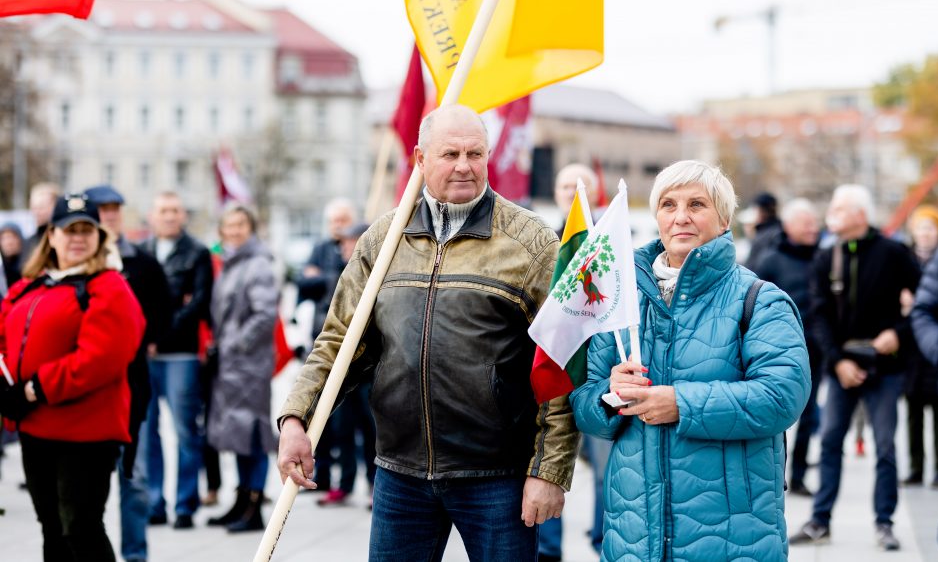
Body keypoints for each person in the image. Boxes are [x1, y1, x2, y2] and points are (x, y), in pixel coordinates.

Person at [278, 104, 578, 561]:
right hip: (400, 474)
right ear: (420, 159)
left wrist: (549, 471)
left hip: (497, 476)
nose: (464, 165)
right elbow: (340, 340)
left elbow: (563, 359)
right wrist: (297, 418)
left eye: (475, 154)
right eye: (450, 153)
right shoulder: (383, 240)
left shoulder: (532, 242)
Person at [571, 160, 810, 562]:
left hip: (733, 536)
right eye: (668, 204)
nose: (680, 216)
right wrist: (609, 395)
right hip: (634, 535)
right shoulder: (620, 300)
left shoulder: (760, 300)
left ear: (723, 218)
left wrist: (681, 404)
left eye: (696, 204)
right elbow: (585, 406)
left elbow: (781, 396)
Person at [0, 193, 145, 561]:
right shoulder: (30, 285)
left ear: (100, 237)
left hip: (85, 432)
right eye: (68, 230)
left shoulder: (109, 286)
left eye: (86, 230)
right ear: (51, 235)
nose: (77, 237)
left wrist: (33, 388)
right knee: (51, 528)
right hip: (36, 429)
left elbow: (99, 359)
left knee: (81, 528)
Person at [790, 184, 920, 551]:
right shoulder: (825, 257)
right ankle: (820, 520)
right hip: (841, 366)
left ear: (860, 215)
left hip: (885, 369)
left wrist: (898, 333)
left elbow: (925, 303)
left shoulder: (894, 253)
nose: (831, 213)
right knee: (830, 441)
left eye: (839, 208)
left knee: (885, 448)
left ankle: (884, 522)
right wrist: (839, 361)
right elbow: (818, 317)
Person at [86, 184, 172, 562]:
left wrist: (149, 338)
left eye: (114, 209)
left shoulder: (141, 261)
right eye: (101, 209)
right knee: (86, 486)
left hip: (132, 388)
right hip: (87, 393)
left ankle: (135, 555)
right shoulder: (77, 267)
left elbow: (163, 309)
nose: (109, 215)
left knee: (133, 480)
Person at [539, 162, 611, 561]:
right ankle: (549, 550)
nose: (572, 190)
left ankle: (603, 538)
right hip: (557, 365)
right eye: (566, 184)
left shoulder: (610, 237)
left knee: (604, 464)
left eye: (580, 185)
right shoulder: (544, 239)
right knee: (547, 461)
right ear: (556, 192)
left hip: (598, 369)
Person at [140, 191, 214, 529]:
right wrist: (146, 339)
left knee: (186, 431)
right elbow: (133, 302)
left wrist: (160, 336)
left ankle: (185, 504)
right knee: (146, 432)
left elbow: (197, 303)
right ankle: (155, 502)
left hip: (180, 354)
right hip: (146, 356)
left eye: (174, 210)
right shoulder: (141, 253)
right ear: (152, 217)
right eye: (163, 210)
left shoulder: (197, 253)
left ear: (183, 215)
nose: (169, 216)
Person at [204, 205, 278, 532]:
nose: (234, 230)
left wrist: (235, 344)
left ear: (251, 227)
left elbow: (264, 315)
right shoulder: (232, 263)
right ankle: (241, 500)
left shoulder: (257, 263)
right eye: (228, 225)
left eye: (240, 224)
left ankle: (254, 506)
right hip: (232, 365)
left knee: (253, 432)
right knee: (237, 432)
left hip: (249, 364)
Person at [753, 197, 822, 495]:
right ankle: (775, 474)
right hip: (776, 352)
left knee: (808, 416)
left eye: (814, 223)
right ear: (790, 225)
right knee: (777, 414)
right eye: (806, 223)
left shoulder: (824, 257)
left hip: (815, 349)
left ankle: (800, 475)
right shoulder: (771, 259)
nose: (813, 228)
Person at [295, 198, 358, 495]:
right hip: (322, 335)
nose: (339, 226)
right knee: (323, 416)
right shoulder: (320, 248)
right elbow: (302, 284)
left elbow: (343, 284)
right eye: (334, 220)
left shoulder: (360, 245)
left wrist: (320, 278)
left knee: (353, 421)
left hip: (355, 346)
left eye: (344, 219)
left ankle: (349, 480)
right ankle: (321, 475)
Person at [904, 205, 938, 487]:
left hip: (933, 345)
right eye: (921, 228)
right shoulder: (904, 260)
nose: (926, 233)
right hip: (912, 348)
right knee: (914, 412)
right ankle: (916, 467)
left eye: (931, 227)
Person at [744, 191, 782, 270]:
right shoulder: (769, 231)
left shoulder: (773, 234)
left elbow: (755, 264)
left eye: (755, 209)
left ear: (763, 211)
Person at [22, 182, 60, 259]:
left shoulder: (62, 238)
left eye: (42, 207)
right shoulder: (29, 242)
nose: (37, 212)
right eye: (34, 208)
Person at [0, 221, 24, 290]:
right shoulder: (1, 271)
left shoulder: (30, 269)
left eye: (12, 237)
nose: (8, 242)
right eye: (3, 238)